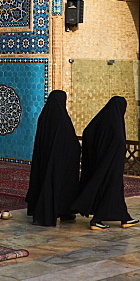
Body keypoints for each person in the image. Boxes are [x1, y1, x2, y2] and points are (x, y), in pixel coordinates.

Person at [71, 96, 140, 230]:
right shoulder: (116, 126)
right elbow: (118, 144)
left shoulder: (101, 122)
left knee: (113, 191)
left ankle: (124, 217)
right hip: (111, 167)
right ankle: (97, 220)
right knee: (111, 190)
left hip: (102, 165)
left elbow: (88, 132)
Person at [25, 90, 81, 226]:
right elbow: (70, 142)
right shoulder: (62, 119)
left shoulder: (44, 116)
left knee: (45, 181)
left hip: (44, 160)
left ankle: (59, 210)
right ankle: (62, 211)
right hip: (60, 162)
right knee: (60, 185)